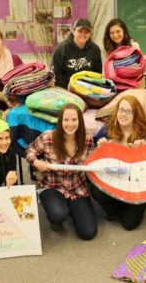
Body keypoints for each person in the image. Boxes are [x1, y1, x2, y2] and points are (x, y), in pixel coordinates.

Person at [91, 95, 146, 230]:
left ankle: (128, 204)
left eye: (128, 111)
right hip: (115, 178)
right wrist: (101, 149)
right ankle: (116, 207)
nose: (123, 114)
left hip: (137, 182)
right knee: (97, 192)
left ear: (135, 114)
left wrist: (144, 149)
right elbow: (95, 159)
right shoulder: (107, 130)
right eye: (121, 110)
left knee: (129, 224)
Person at [25, 103, 97, 240]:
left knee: (88, 233)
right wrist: (36, 162)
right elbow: (29, 151)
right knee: (58, 214)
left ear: (80, 121)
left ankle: (69, 207)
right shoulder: (48, 137)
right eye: (66, 120)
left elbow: (91, 162)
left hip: (77, 189)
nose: (70, 124)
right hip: (52, 186)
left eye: (74, 120)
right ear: (60, 121)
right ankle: (56, 219)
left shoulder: (87, 140)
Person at [51, 18, 102, 89]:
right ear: (73, 31)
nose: (83, 35)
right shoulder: (61, 49)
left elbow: (97, 73)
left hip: (88, 89)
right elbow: (55, 73)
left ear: (90, 34)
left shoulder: (95, 49)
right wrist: (70, 87)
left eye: (86, 32)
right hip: (65, 88)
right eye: (80, 31)